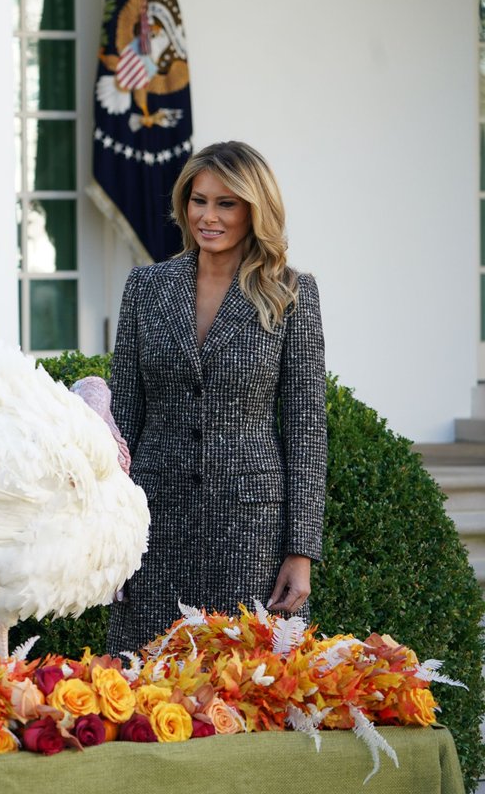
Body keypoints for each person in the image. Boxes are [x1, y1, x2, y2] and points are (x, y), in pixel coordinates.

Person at [105, 140, 327, 655]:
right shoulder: (146, 287)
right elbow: (122, 422)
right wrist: (110, 535)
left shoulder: (292, 293)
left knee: (247, 681)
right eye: (198, 200)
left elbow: (306, 428)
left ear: (254, 209)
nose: (208, 216)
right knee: (147, 679)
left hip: (251, 530)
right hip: (152, 524)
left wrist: (300, 552)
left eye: (226, 203)